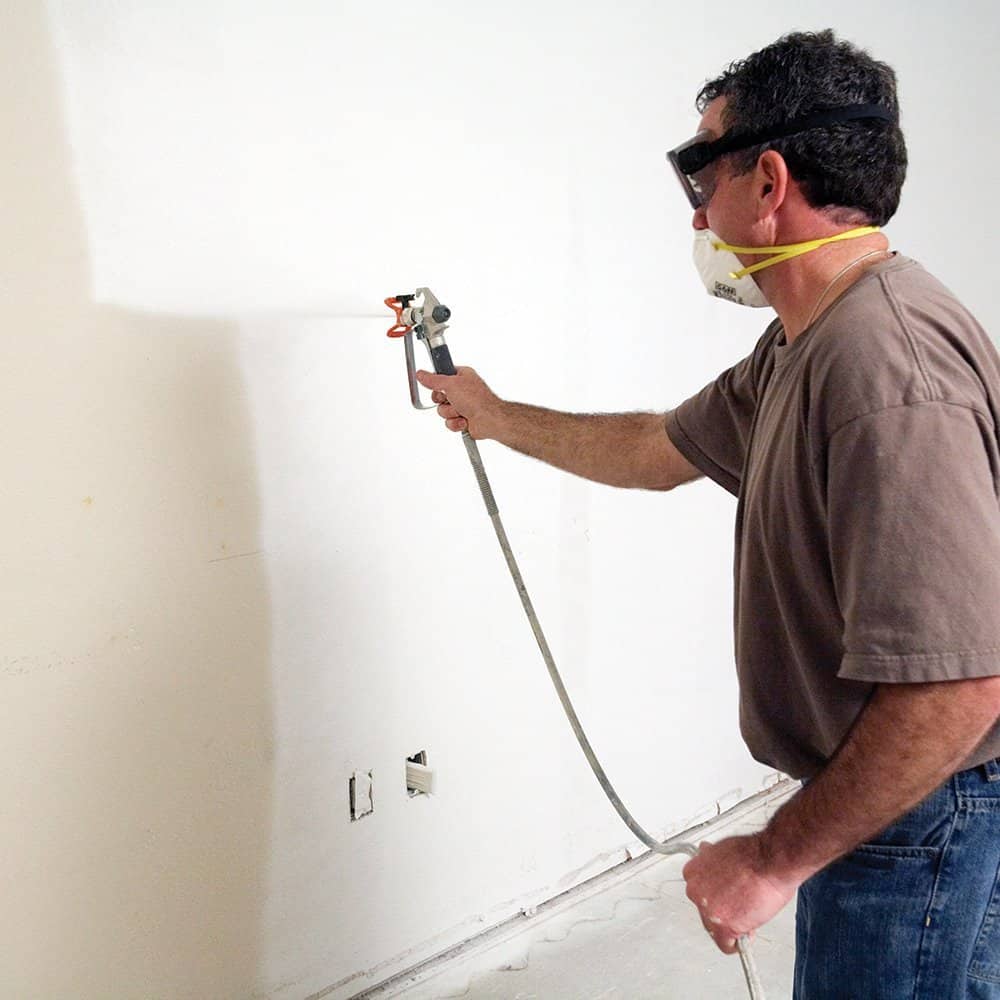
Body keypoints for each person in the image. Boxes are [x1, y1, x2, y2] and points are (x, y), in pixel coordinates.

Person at [416, 29, 1000, 1000]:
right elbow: (658, 448)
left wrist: (772, 858)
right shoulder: (807, 343)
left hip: (915, 815)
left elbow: (958, 687)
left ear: (767, 182)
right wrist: (493, 412)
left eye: (701, 174)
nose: (695, 214)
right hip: (895, 804)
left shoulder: (884, 366)